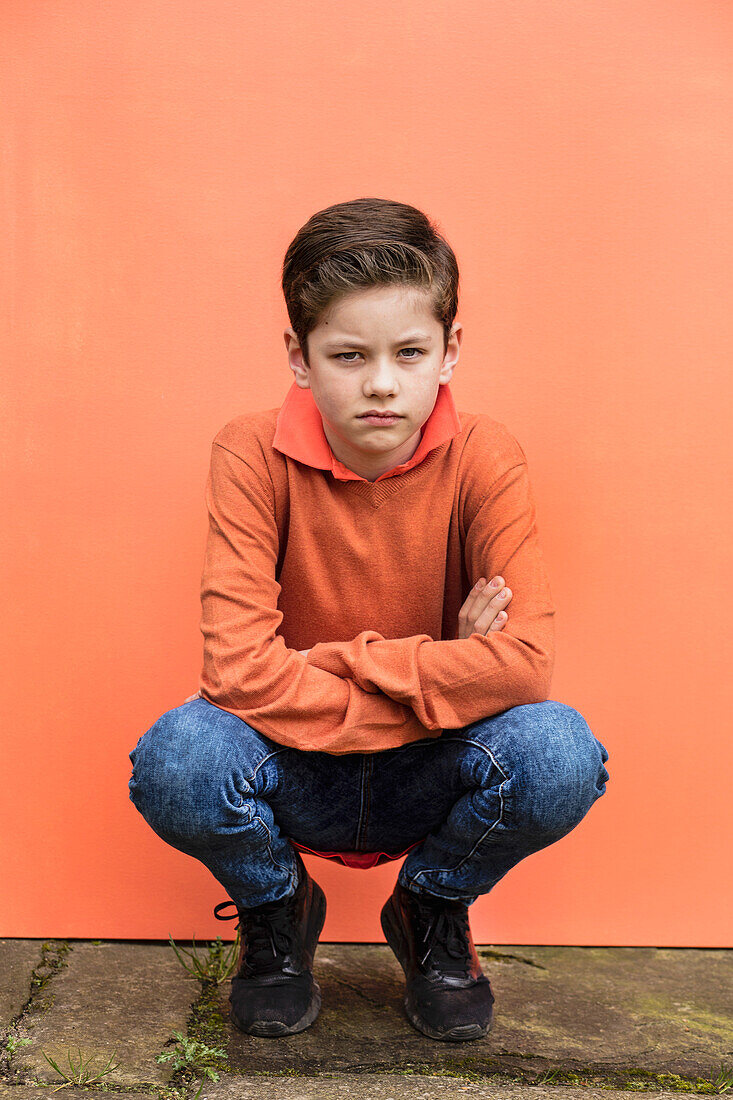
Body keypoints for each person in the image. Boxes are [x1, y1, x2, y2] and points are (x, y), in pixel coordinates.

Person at [128, 196, 610, 1044]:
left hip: (432, 764)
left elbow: (526, 665)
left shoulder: (486, 456)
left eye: (409, 353)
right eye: (348, 355)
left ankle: (431, 906)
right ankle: (278, 911)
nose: (381, 382)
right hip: (295, 762)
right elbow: (236, 674)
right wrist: (449, 662)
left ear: (449, 352)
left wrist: (323, 664)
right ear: (300, 357)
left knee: (558, 751)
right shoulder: (247, 451)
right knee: (179, 757)